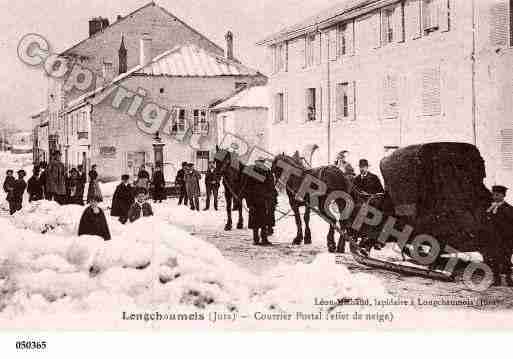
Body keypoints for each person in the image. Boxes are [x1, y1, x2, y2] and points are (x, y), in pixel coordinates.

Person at [482, 185, 513, 286]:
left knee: (506, 259)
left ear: (503, 196)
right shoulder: (490, 207)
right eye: (493, 194)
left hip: (505, 239)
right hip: (493, 238)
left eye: (498, 195)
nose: (495, 196)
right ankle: (497, 280)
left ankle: (509, 279)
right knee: (494, 258)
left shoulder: (508, 208)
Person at [244, 158, 276, 246]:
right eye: (259, 162)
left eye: (261, 162)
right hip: (256, 200)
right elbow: (247, 188)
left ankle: (262, 238)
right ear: (256, 163)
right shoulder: (253, 173)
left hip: (262, 200)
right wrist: (249, 203)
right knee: (258, 221)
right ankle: (257, 239)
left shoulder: (267, 172)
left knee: (262, 221)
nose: (260, 164)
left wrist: (272, 199)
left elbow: (271, 187)